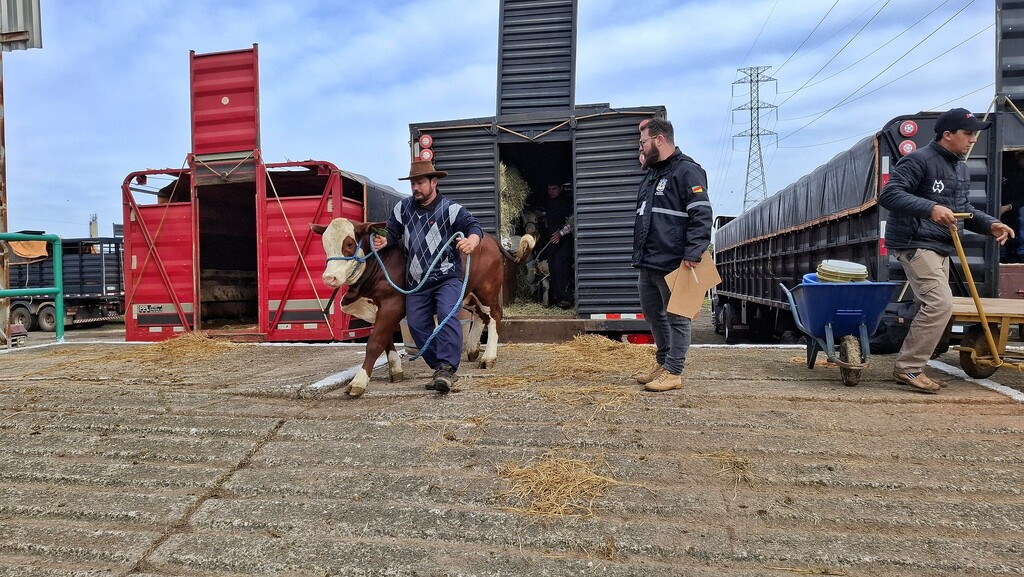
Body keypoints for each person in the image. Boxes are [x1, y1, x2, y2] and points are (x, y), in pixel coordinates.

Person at [879, 108, 1015, 394]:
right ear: (947, 134)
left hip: (939, 244)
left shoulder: (958, 166)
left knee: (934, 305)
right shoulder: (918, 160)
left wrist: (991, 225)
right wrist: (930, 208)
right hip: (915, 242)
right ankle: (909, 368)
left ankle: (916, 360)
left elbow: (963, 209)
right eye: (967, 133)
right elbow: (889, 195)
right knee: (940, 304)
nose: (973, 139)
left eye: (975, 134)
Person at [373, 159, 483, 393]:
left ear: (434, 182)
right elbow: (393, 231)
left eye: (420, 183)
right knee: (416, 325)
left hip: (446, 278)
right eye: (413, 183)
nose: (415, 188)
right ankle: (441, 367)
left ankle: (446, 368)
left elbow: (474, 226)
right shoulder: (402, 209)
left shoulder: (451, 210)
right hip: (417, 282)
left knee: (446, 314)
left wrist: (471, 242)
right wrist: (385, 239)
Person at [631, 117, 713, 392]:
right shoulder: (653, 175)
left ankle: (675, 371)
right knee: (653, 315)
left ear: (659, 140)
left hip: (675, 262)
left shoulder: (687, 171)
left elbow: (701, 214)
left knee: (677, 317)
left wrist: (693, 252)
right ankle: (664, 362)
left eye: (643, 142)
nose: (640, 148)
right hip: (649, 261)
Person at [540, 183, 575, 308]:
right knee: (553, 267)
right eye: (549, 189)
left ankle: (567, 298)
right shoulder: (549, 203)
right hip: (553, 241)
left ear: (560, 189)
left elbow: (573, 220)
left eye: (554, 189)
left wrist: (561, 233)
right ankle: (557, 298)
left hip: (565, 241)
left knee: (561, 265)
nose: (551, 192)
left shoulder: (566, 203)